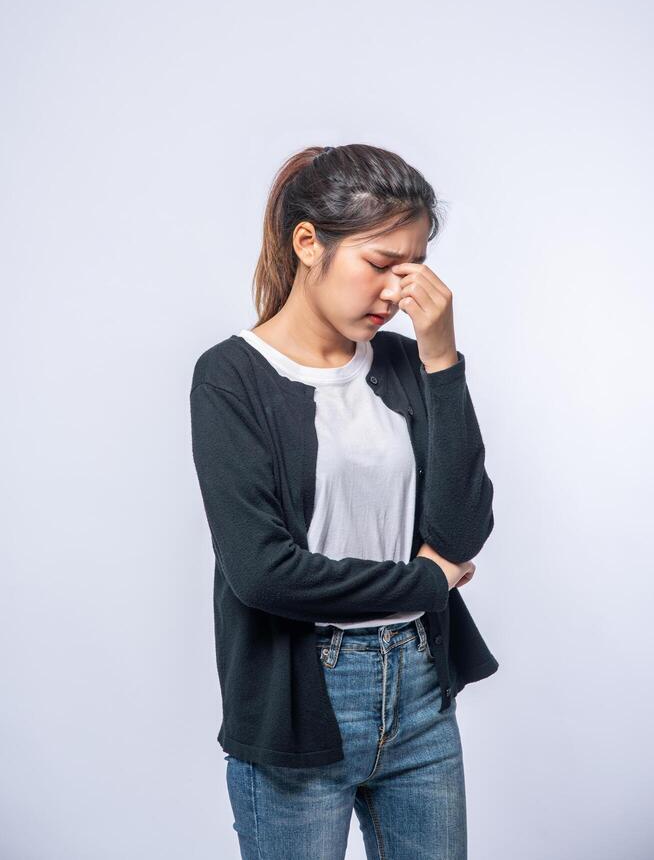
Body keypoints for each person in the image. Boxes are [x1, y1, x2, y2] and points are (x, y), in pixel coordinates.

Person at [189, 143, 498, 859]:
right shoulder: (232, 377)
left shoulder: (403, 362)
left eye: (413, 267)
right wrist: (424, 584)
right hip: (300, 702)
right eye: (381, 263)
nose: (398, 292)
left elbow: (463, 525)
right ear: (308, 244)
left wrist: (442, 359)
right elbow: (263, 573)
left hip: (420, 691)